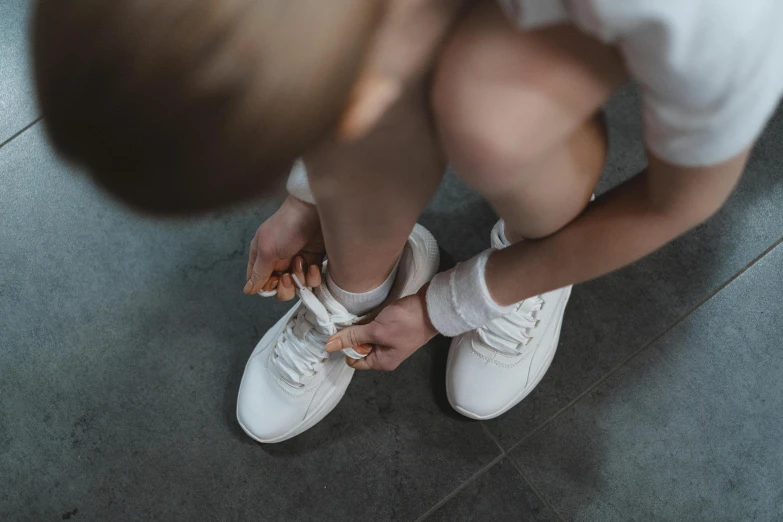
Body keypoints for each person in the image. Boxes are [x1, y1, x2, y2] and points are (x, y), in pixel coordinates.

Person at [32, 0, 783, 442]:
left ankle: (537, 254)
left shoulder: (708, 20)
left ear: (354, 95)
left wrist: (465, 298)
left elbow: (676, 201)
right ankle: (359, 282)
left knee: (492, 117)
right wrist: (305, 194)